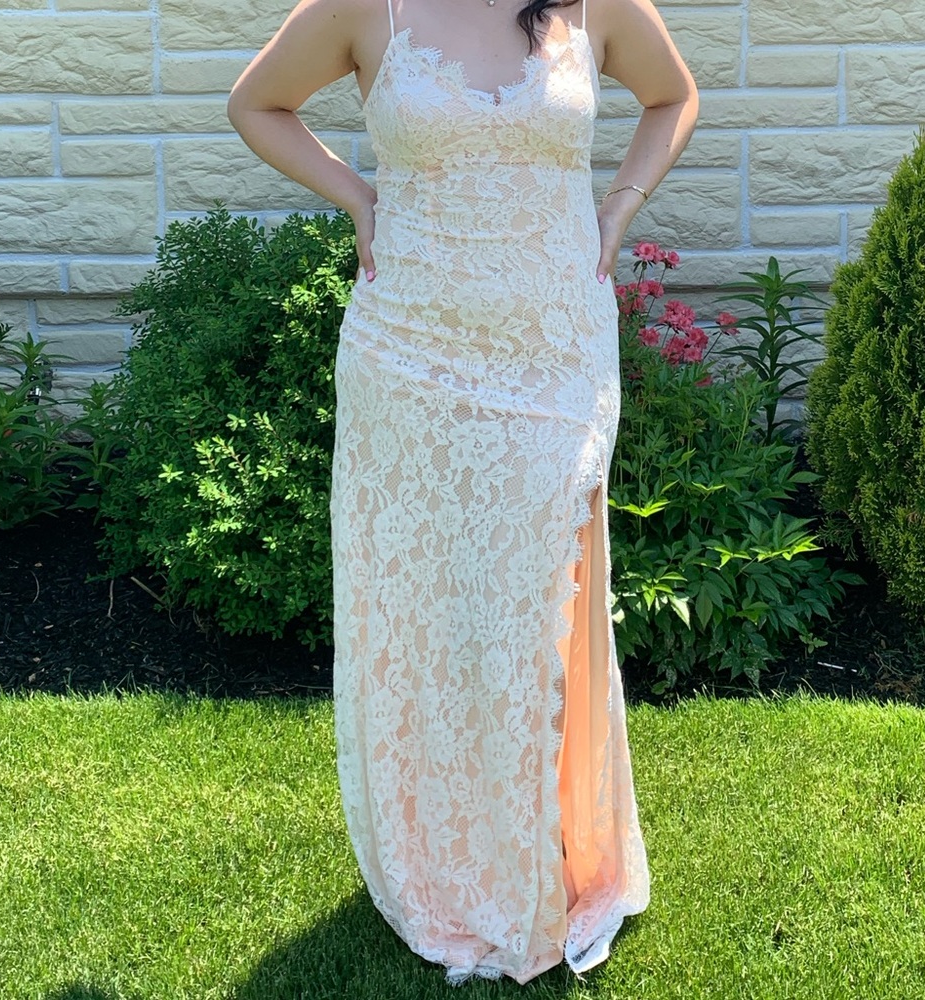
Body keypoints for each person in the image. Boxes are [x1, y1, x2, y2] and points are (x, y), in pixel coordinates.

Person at [228, 0, 698, 985]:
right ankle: (450, 862)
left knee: (534, 610)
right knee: (434, 618)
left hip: (553, 348)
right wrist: (357, 197)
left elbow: (670, 95)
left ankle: (544, 849)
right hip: (412, 346)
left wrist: (620, 203)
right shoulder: (366, 5)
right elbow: (257, 103)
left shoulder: (593, 2)